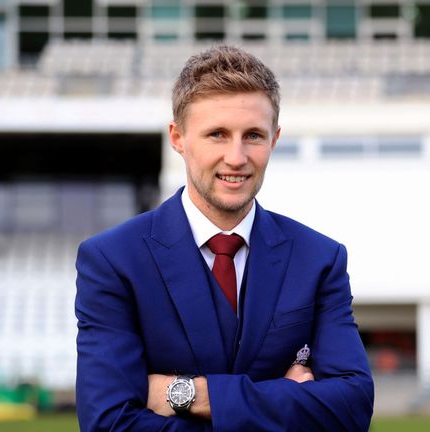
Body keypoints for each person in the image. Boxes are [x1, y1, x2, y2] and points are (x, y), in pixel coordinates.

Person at [75, 45, 374, 431]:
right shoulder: (113, 261)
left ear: (275, 139)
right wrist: (283, 401)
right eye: (217, 134)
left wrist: (190, 395)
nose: (236, 157)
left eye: (253, 135)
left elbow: (351, 408)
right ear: (178, 138)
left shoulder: (319, 259)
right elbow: (108, 423)